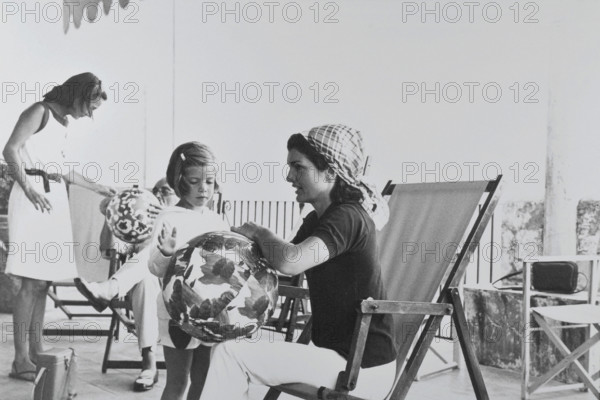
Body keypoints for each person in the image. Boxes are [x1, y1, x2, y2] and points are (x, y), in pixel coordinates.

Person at [199, 124, 397, 400]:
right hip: (334, 357)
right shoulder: (319, 219)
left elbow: (291, 261)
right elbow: (280, 269)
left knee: (231, 355)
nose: (290, 176)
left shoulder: (349, 217)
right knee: (228, 348)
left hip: (362, 368)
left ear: (330, 171)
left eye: (298, 167)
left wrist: (258, 232)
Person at [2, 72, 116, 382]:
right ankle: (20, 359)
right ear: (77, 95)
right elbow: (10, 150)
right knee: (29, 282)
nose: (90, 114)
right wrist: (28, 189)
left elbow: (64, 171)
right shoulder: (39, 112)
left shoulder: (63, 124)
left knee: (44, 282)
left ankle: (37, 351)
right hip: (32, 197)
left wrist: (100, 187)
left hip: (53, 199)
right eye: (90, 106)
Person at [73, 177, 177, 391]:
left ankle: (108, 289)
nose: (160, 196)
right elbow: (108, 249)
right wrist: (110, 217)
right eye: (157, 191)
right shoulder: (142, 226)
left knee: (156, 245)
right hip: (149, 282)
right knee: (147, 279)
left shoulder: (187, 221)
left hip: (179, 285)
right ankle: (149, 365)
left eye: (167, 191)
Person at [148, 142, 229, 400]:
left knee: (204, 381)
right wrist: (167, 253)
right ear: (179, 181)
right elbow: (155, 268)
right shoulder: (168, 217)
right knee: (178, 381)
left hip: (211, 312)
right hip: (177, 313)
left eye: (209, 181)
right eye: (194, 181)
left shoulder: (217, 219)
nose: (203, 188)